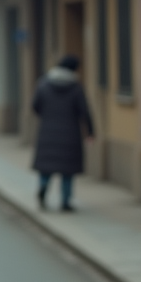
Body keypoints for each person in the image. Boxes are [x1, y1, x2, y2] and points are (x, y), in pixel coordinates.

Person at [32, 54, 95, 212]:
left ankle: (43, 187)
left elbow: (35, 106)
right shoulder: (75, 87)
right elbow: (84, 111)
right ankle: (65, 202)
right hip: (70, 134)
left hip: (47, 132)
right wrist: (90, 131)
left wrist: (47, 117)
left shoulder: (44, 84)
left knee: (46, 167)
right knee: (68, 171)